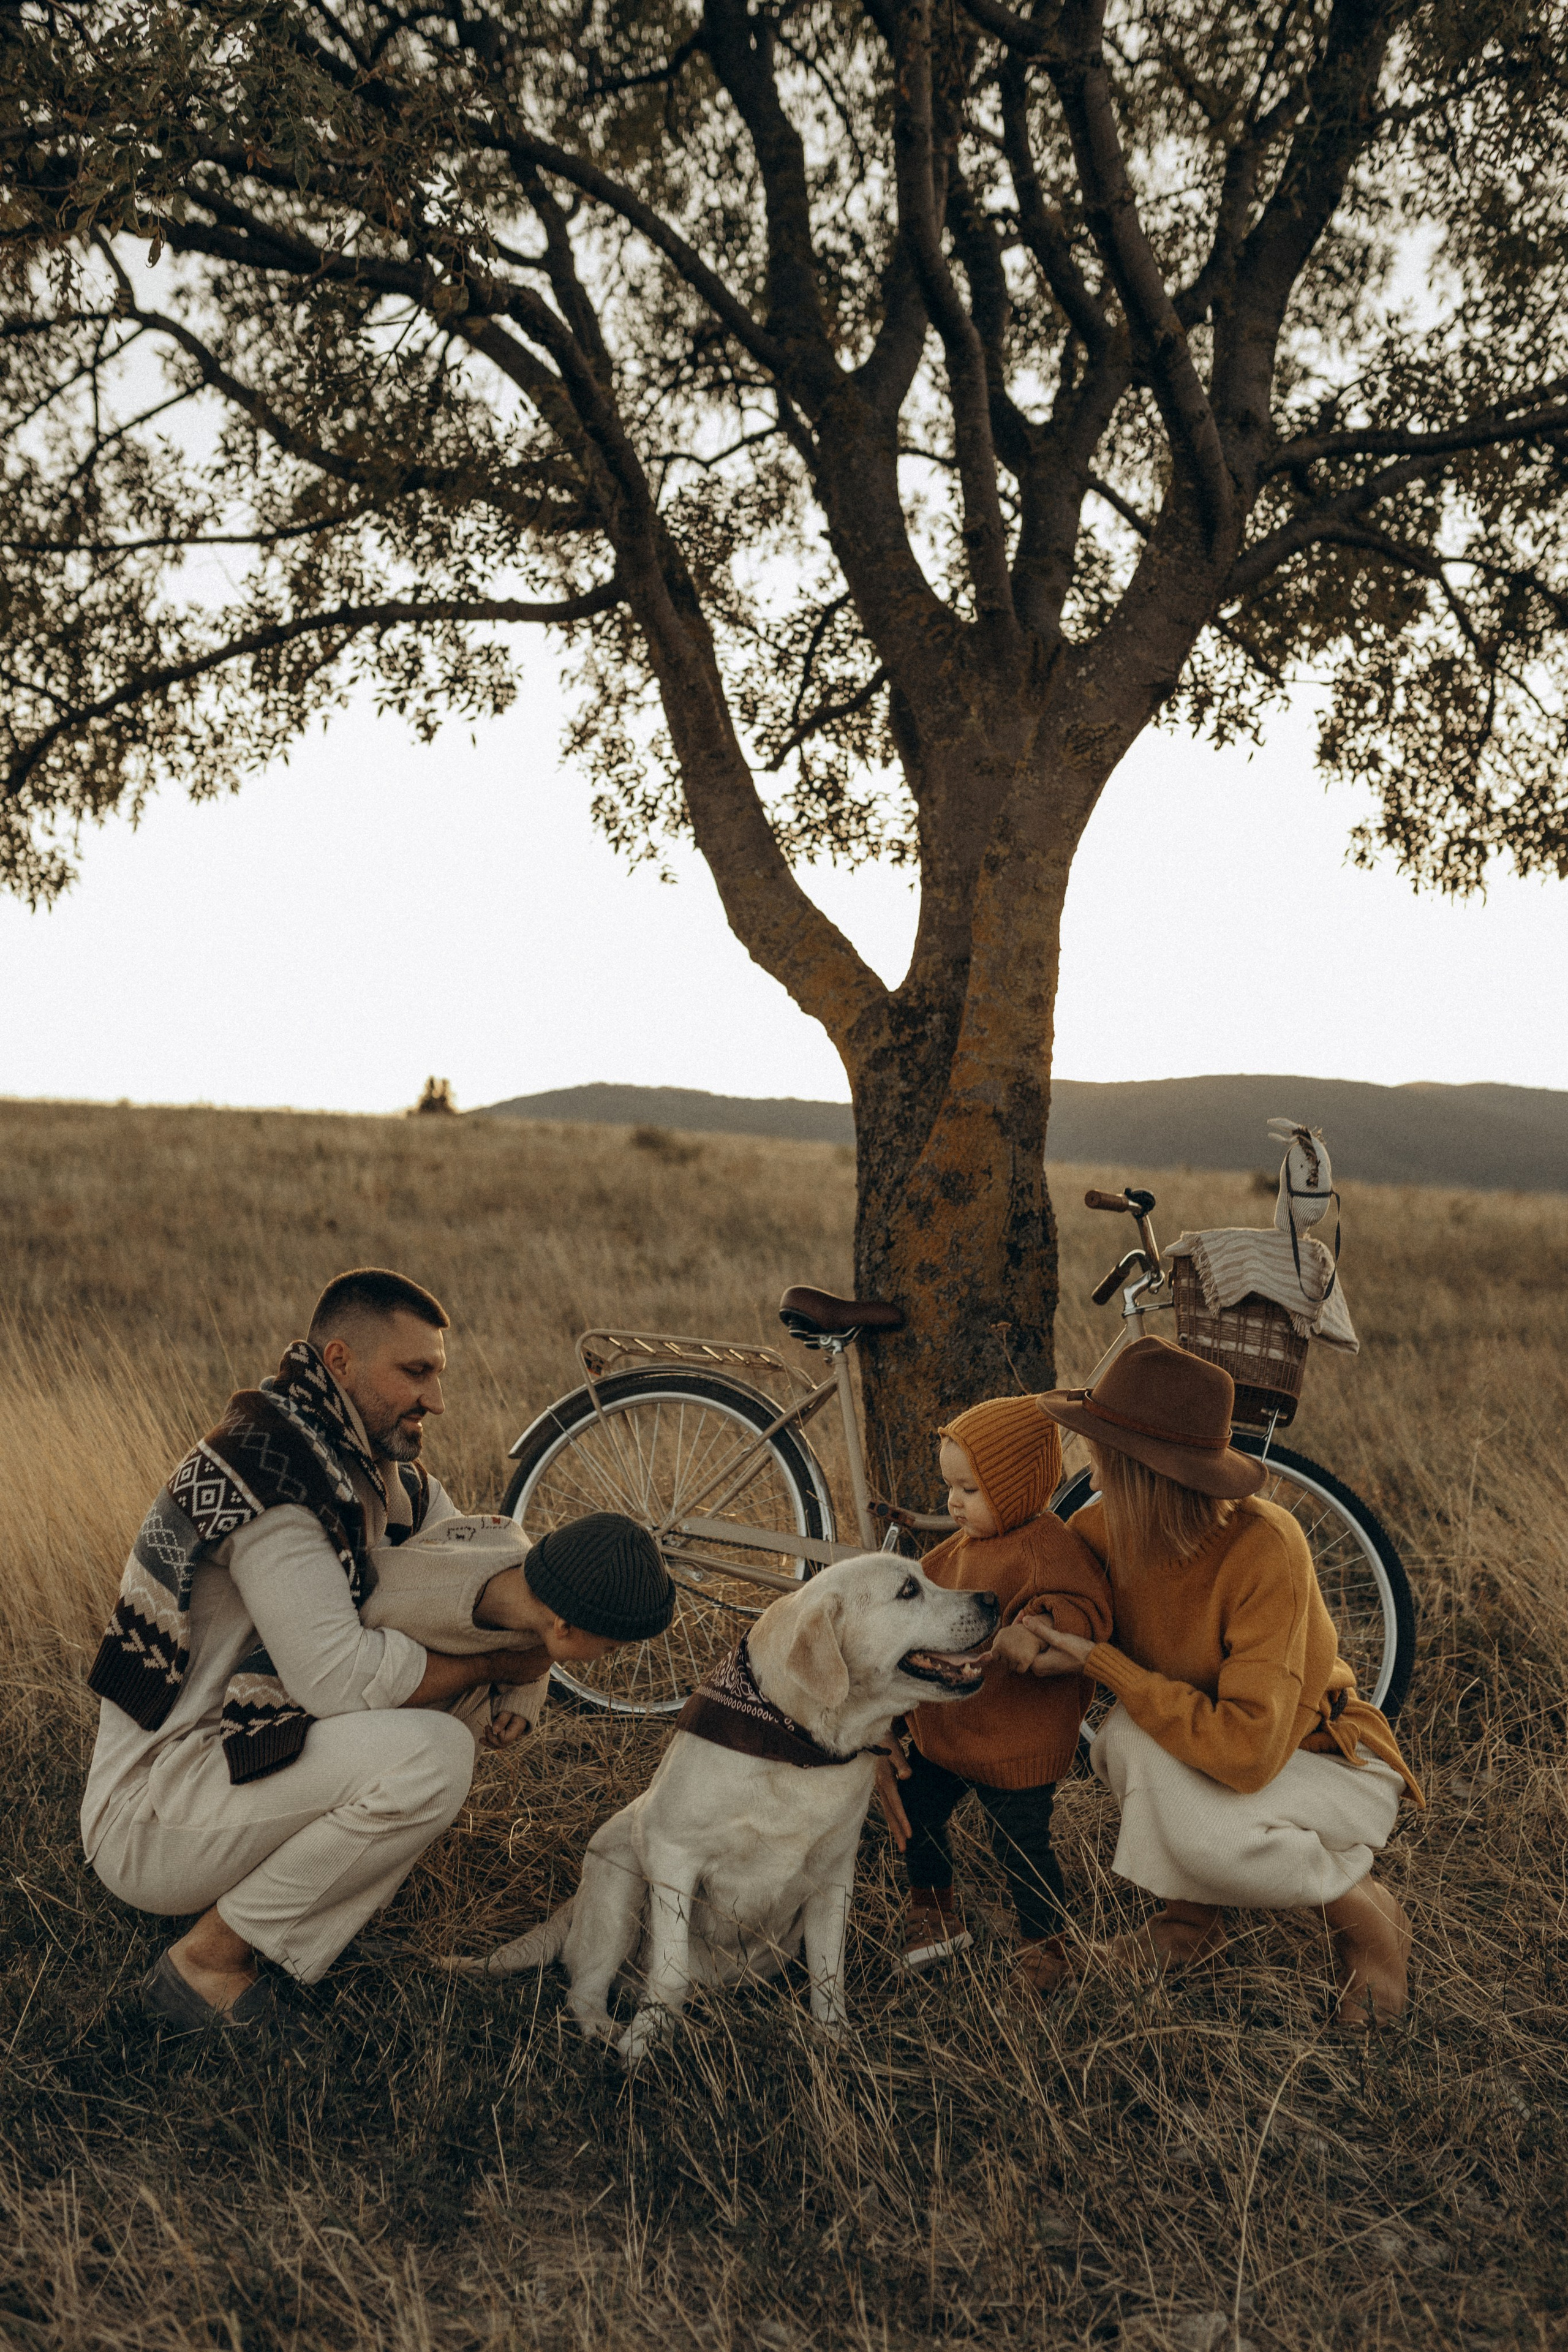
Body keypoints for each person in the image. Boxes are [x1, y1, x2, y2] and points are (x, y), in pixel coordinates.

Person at [81, 1267, 674, 2037]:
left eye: (438, 1373)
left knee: (433, 1691)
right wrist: (498, 1667)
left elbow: (491, 1550)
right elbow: (337, 1682)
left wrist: (535, 1650)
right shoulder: (274, 1480)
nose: (436, 1399)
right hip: (154, 1816)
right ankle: (208, 1961)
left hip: (230, 1766)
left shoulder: (359, 1467)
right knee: (428, 1754)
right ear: (339, 1362)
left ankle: (301, 1908)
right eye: (415, 1373)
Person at [1021, 1335, 1423, 2024]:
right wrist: (1034, 1623)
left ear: (1138, 1469)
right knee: (1122, 1739)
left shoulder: (1265, 1546)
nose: (1088, 1464)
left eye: (1099, 1450)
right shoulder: (1101, 1530)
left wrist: (1102, 1662)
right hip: (1216, 1751)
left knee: (1199, 1826)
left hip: (1318, 1764)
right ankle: (1190, 1926)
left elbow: (1246, 1752)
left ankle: (1364, 1913)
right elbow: (1054, 1597)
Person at [875, 1395, 1111, 1991]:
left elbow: (1082, 1609)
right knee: (918, 1810)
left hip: (1015, 1742)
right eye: (950, 1486)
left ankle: (1045, 1948)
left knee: (1023, 1845)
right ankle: (934, 1910)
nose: (953, 1502)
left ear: (1016, 1489)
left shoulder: (1047, 1547)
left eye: (970, 1490)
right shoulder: (953, 1550)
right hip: (946, 1733)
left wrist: (1036, 1627)